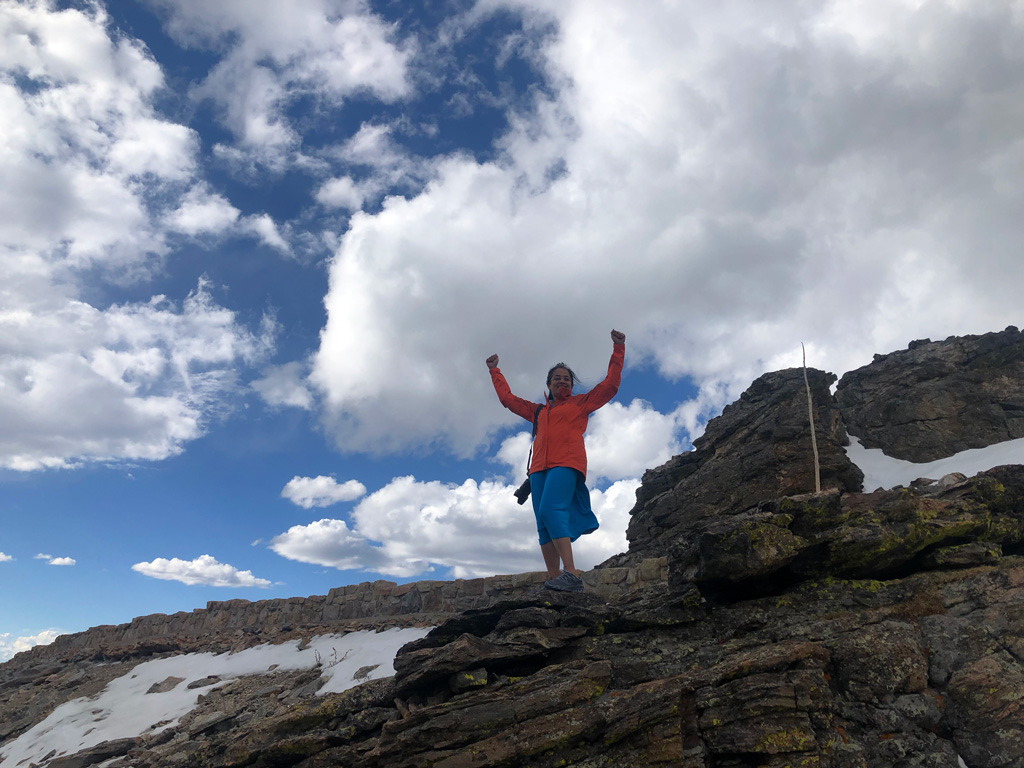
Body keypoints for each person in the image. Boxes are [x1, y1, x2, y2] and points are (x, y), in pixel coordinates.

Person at [486, 330, 626, 592]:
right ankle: (554, 580)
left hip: (567, 463)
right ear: (548, 384)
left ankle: (570, 574)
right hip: (538, 470)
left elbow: (610, 386)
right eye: (557, 378)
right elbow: (508, 399)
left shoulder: (580, 404)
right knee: (542, 523)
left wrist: (618, 348)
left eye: (566, 379)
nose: (562, 382)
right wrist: (495, 370)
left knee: (551, 510)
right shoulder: (537, 411)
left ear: (571, 386)